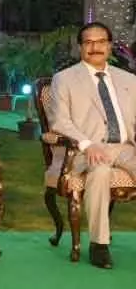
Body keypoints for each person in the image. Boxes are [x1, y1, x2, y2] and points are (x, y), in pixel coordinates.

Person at [49, 22, 136, 268]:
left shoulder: (129, 79)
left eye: (100, 42)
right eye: (88, 42)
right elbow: (59, 121)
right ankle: (99, 244)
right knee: (100, 171)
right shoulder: (64, 79)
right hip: (85, 149)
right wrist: (88, 144)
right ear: (80, 47)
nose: (94, 47)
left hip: (125, 146)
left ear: (109, 46)